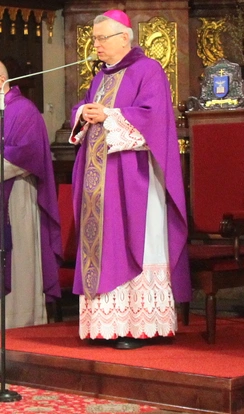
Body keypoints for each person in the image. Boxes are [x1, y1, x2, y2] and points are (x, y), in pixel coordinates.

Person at [68, 10, 190, 349]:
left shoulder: (148, 70)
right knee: (104, 245)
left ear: (124, 38)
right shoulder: (100, 77)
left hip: (134, 178)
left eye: (101, 38)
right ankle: (104, 326)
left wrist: (109, 115)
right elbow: (87, 111)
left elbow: (155, 118)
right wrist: (83, 113)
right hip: (100, 181)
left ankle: (138, 326)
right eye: (94, 39)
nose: (96, 45)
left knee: (136, 240)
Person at [0, 60, 62, 328]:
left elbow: (27, 155)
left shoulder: (23, 110)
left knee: (20, 264)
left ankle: (20, 323)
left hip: (17, 199)